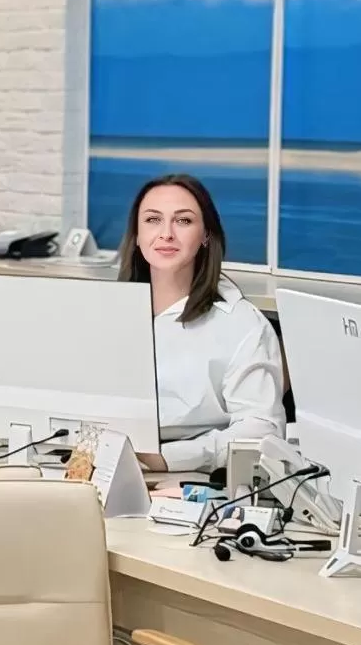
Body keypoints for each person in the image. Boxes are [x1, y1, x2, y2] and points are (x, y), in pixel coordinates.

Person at [118, 172, 287, 475]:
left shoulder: (242, 324)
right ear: (137, 235)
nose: (166, 234)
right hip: (105, 462)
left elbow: (262, 429)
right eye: (153, 220)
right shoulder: (110, 311)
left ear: (206, 235)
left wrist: (170, 458)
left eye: (183, 221)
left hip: (191, 476)